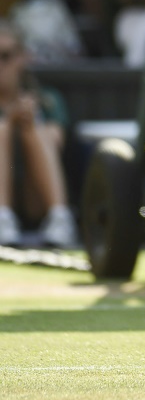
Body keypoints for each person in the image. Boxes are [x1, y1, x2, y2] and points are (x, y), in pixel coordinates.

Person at [0, 19, 76, 249]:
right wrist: (9, 122)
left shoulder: (46, 99)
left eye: (5, 56)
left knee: (35, 129)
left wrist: (27, 121)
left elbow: (56, 141)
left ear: (23, 57)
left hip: (35, 198)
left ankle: (60, 217)